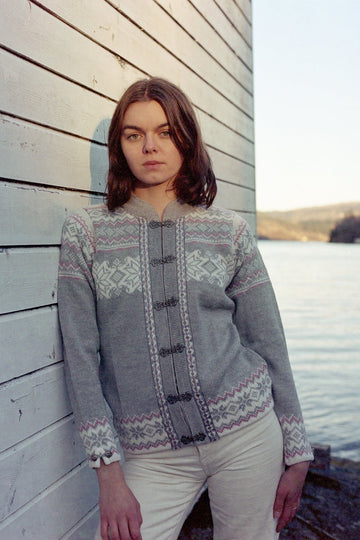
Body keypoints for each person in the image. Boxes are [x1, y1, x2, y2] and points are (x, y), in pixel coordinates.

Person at [58, 77, 313, 540]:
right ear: (119, 146)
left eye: (165, 131)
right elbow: (80, 356)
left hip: (247, 436)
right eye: (134, 134)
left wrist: (297, 451)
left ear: (187, 138)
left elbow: (267, 340)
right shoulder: (86, 233)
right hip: (151, 456)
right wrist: (108, 472)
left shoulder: (227, 231)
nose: (149, 147)